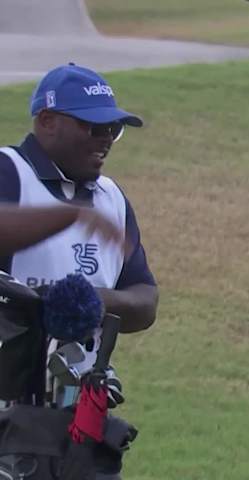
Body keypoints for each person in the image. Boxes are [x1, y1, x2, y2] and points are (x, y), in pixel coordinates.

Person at [0, 64, 158, 478]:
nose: (106, 139)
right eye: (93, 127)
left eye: (114, 130)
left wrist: (97, 301)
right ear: (47, 122)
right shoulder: (7, 172)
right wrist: (68, 216)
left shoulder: (111, 198)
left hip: (80, 416)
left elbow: (145, 299)